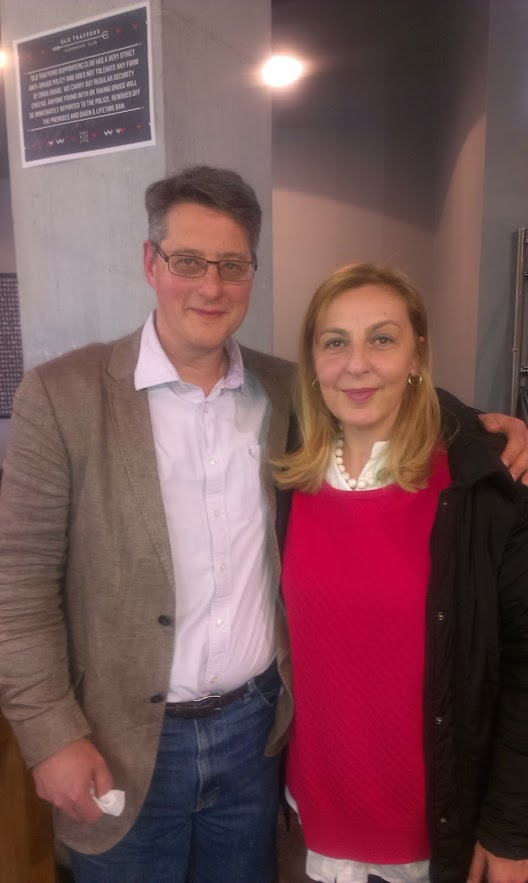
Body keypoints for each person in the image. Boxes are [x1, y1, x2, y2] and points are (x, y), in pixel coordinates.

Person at [0, 170, 525, 883]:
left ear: (253, 272)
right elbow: (17, 588)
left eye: (233, 264)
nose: (210, 285)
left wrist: (487, 431)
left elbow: (378, 388)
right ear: (150, 262)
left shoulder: (285, 393)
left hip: (258, 739)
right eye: (188, 260)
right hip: (122, 742)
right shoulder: (62, 394)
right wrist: (49, 733)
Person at [269, 263, 528, 883]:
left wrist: (510, 828)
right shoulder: (287, 473)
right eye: (335, 342)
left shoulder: (479, 485)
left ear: (417, 354)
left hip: (437, 826)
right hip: (320, 808)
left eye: (382, 338)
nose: (357, 364)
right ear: (313, 361)